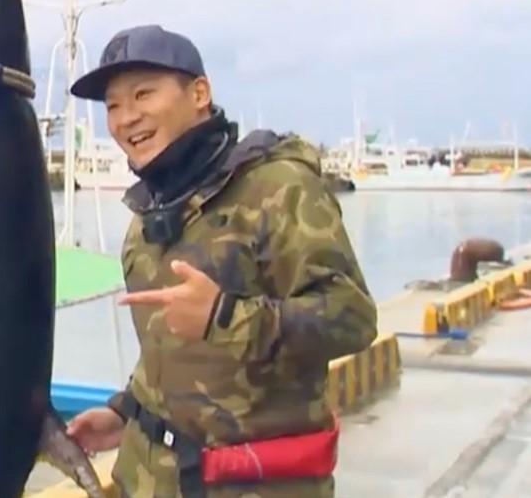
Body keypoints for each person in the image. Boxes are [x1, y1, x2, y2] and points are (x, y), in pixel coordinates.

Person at [64, 25, 377, 497]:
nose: (126, 117)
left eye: (143, 94)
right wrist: (127, 411)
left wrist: (224, 315)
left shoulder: (277, 188)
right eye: (112, 105)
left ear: (199, 93)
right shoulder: (148, 216)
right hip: (147, 481)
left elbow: (352, 318)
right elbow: (169, 349)